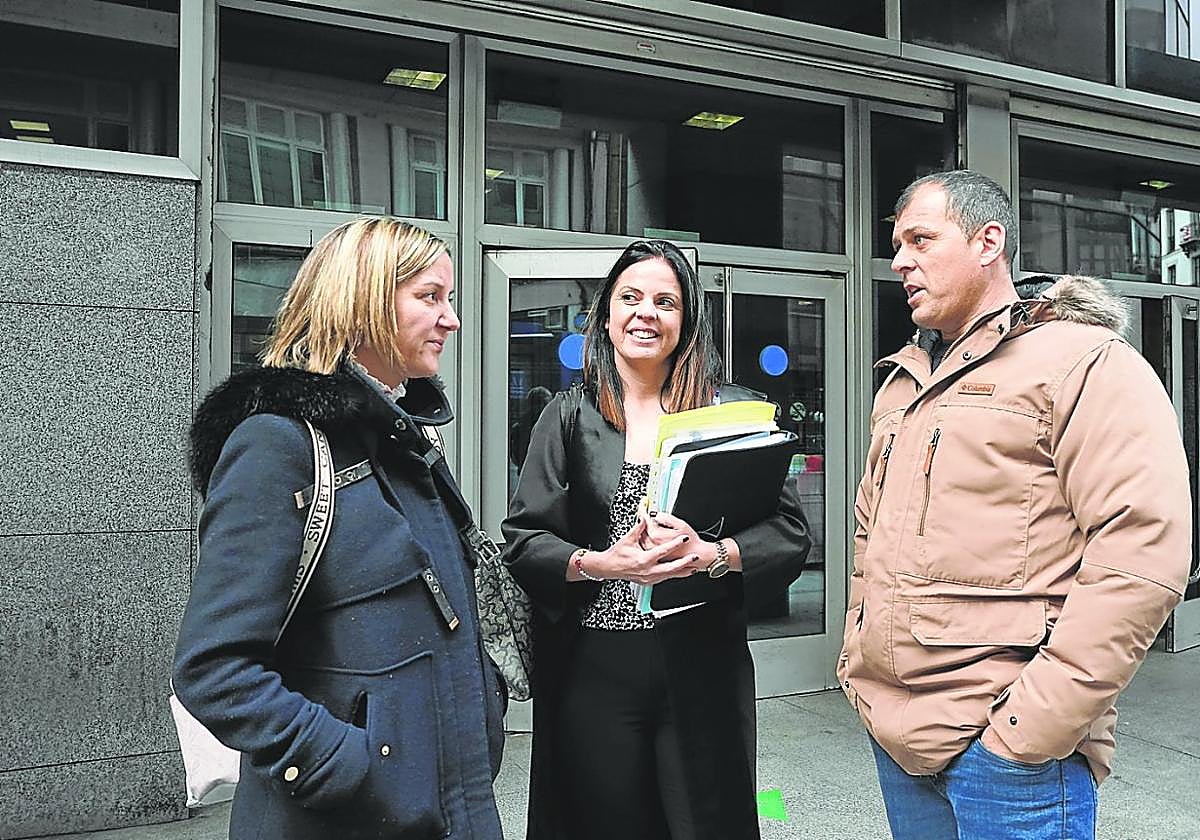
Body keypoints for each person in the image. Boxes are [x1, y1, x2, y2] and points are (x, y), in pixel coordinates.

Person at [838, 169, 1193, 840]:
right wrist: (858, 669)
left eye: (920, 239)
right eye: (897, 245)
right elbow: (869, 536)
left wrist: (1030, 728)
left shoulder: (1082, 361)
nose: (900, 261)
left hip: (1012, 757)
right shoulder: (905, 381)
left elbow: (1144, 549)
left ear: (987, 241)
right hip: (897, 735)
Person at [173, 218, 505, 839]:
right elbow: (213, 668)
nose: (451, 319)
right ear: (364, 302)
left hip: (449, 809)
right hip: (346, 820)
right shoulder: (278, 445)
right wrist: (344, 766)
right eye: (430, 296)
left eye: (450, 298)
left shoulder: (404, 443)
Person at [502, 239, 812, 840]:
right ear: (607, 314)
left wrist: (713, 556)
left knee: (705, 820)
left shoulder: (735, 411)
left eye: (665, 302)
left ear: (687, 319)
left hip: (703, 660)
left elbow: (790, 533)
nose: (647, 313)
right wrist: (598, 563)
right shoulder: (569, 416)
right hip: (596, 665)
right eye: (631, 298)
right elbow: (523, 540)